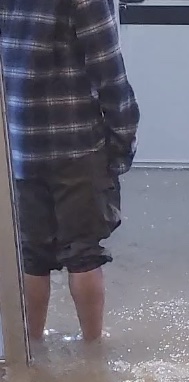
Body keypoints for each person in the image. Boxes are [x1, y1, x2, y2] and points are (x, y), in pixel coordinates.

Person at [0, 0, 140, 343]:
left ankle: (28, 349)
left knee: (30, 256)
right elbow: (109, 70)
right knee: (83, 253)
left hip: (18, 145)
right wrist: (123, 140)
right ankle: (92, 349)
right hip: (77, 145)